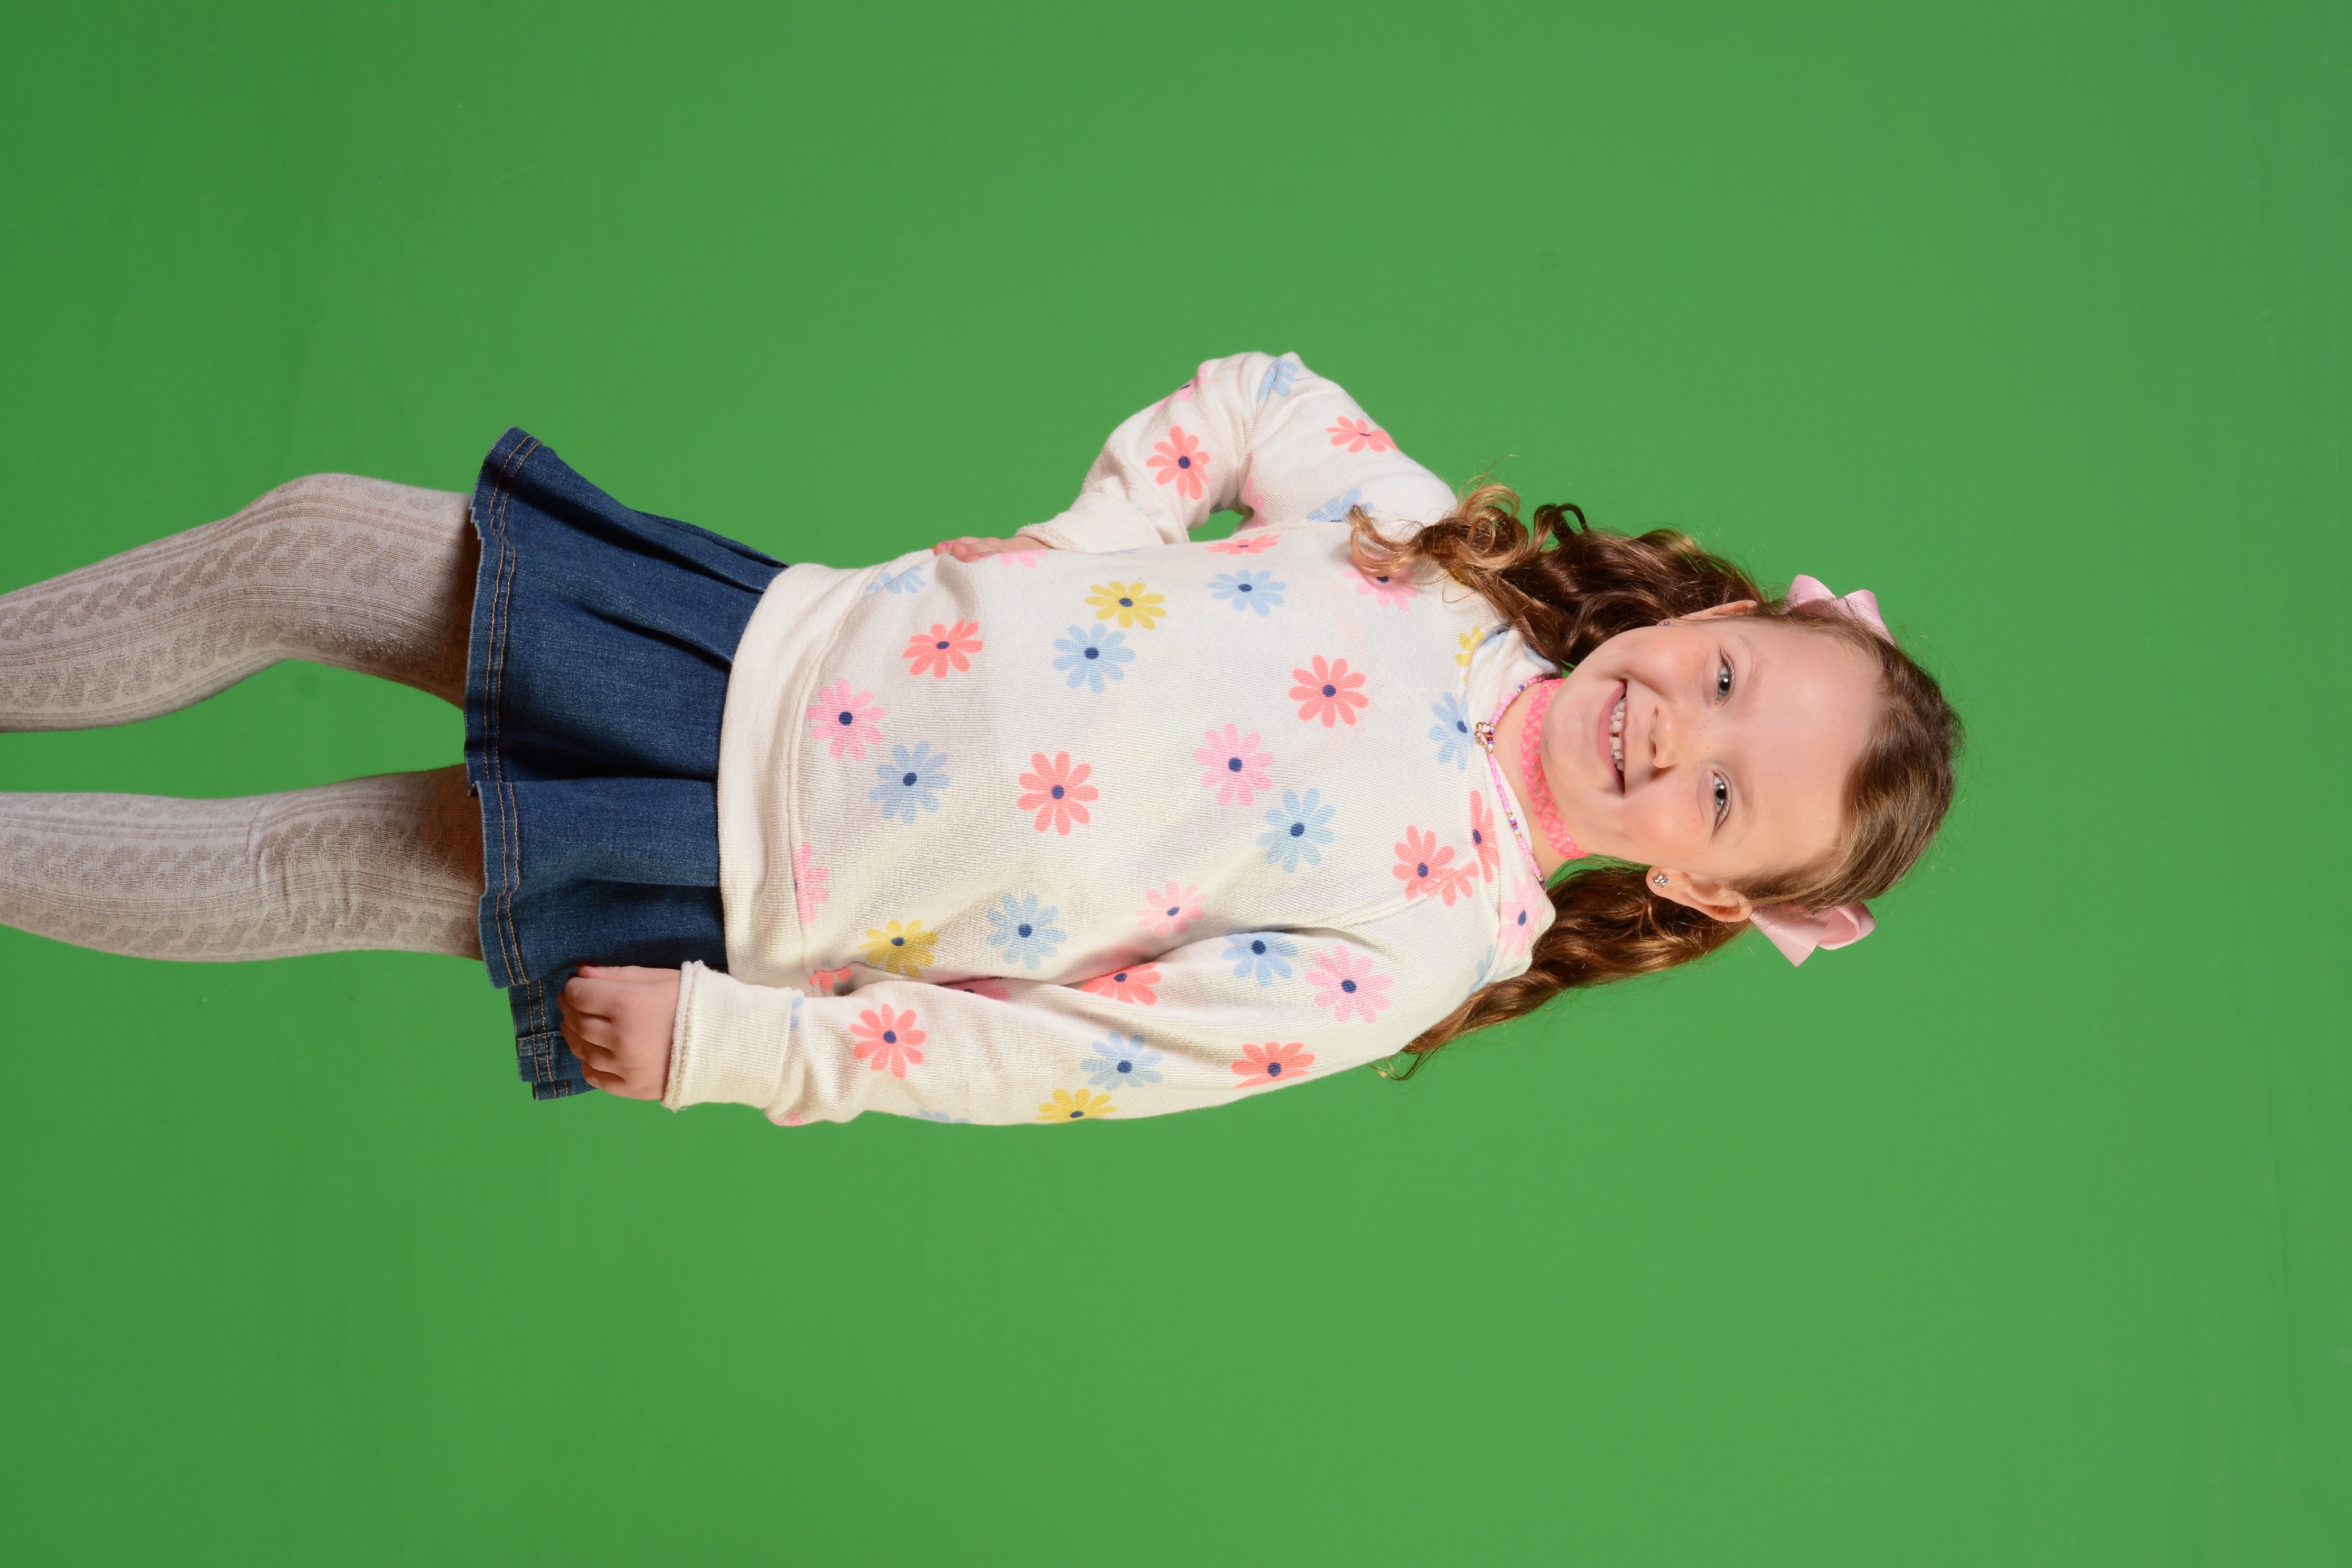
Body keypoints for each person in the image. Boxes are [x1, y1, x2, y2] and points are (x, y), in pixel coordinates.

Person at [0, 352, 1960, 1125]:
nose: (1674, 732)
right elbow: (1258, 395)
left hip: (748, 867)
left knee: (313, 861)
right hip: (762, 637)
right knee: (308, 544)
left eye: (1726, 796)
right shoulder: (1442, 563)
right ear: (1711, 609)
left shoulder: (1423, 942)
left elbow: (1070, 1060)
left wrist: (758, 1051)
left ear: (1704, 887)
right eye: (1725, 676)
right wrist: (1090, 546)